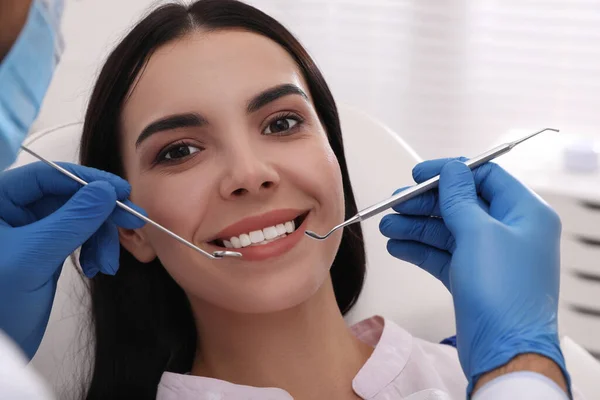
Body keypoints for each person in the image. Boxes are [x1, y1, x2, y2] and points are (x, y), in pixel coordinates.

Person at [0, 0, 578, 399]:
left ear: (335, 163)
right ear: (130, 228)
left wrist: (524, 358)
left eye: (280, 123)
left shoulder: (530, 372)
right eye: (179, 151)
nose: (250, 174)